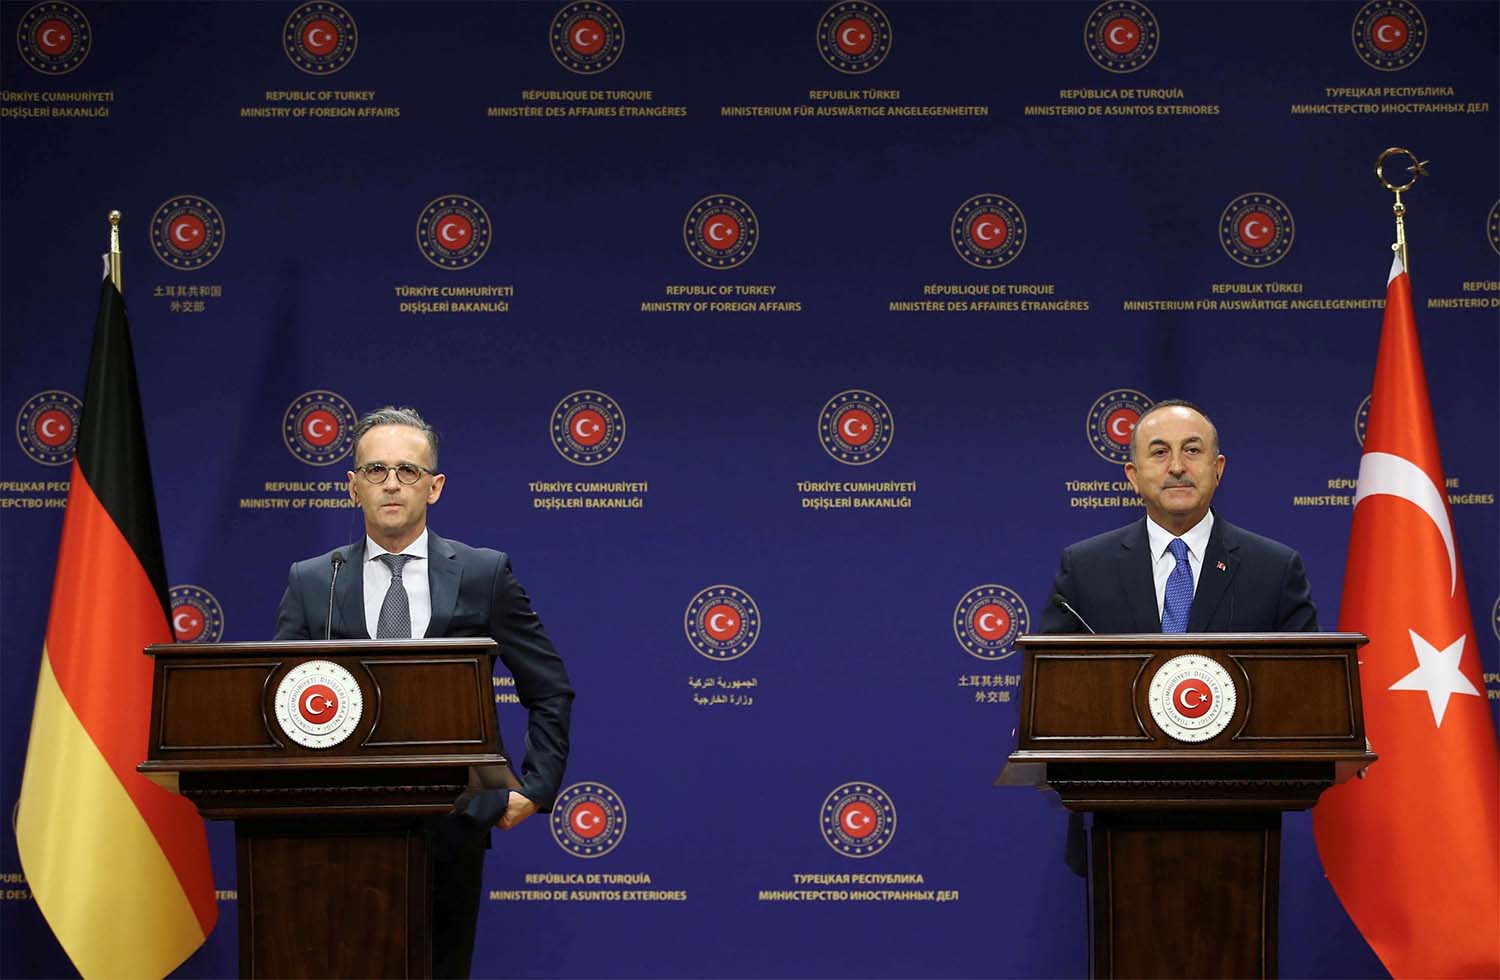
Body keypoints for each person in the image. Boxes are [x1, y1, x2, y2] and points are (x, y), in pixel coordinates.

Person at [274, 406, 573, 979]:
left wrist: (535, 788)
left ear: (433, 487)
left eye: (408, 472)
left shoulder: (484, 573)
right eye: (376, 469)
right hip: (337, 825)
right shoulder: (315, 580)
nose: (391, 483)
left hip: (452, 821)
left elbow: (549, 687)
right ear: (352, 486)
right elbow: (280, 697)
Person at [1039, 398, 1318, 635]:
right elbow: (1047, 683)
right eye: (1160, 452)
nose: (1176, 467)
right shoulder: (1086, 569)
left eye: (1192, 450)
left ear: (1217, 468)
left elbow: (1309, 684)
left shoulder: (1275, 570)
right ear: (1133, 477)